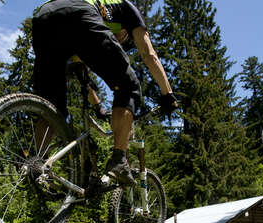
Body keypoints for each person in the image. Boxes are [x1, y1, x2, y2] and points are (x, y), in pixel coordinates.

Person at [32, 0, 178, 186]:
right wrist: (168, 94)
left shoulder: (97, 13)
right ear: (126, 31)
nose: (119, 42)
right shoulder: (127, 8)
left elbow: (82, 74)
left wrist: (98, 106)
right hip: (78, 13)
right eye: (124, 41)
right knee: (129, 86)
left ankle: (36, 165)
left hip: (44, 17)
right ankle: (118, 160)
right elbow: (149, 54)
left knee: (54, 109)